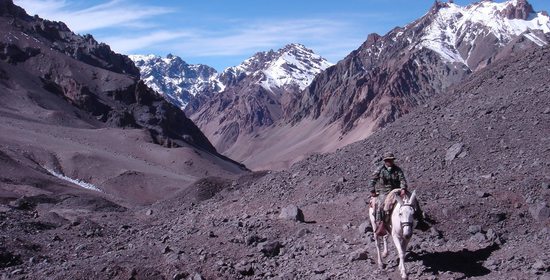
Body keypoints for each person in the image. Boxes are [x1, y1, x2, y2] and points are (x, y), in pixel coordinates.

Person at [369, 152, 408, 236]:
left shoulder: (397, 169)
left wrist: (403, 188)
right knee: (380, 204)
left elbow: (402, 179)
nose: (390, 162)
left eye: (391, 160)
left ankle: (419, 219)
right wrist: (372, 190)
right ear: (385, 161)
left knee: (411, 199)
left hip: (396, 190)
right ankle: (381, 223)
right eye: (388, 160)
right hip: (384, 192)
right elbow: (372, 180)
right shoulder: (380, 170)